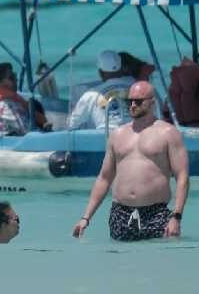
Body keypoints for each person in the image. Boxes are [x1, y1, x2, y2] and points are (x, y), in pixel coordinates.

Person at [72, 81, 189, 242]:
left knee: (160, 263)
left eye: (138, 101)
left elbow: (182, 177)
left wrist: (176, 216)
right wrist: (86, 218)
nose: (132, 105)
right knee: (119, 264)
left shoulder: (168, 133)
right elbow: (104, 178)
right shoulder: (117, 135)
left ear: (152, 103)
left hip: (156, 214)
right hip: (120, 214)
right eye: (129, 101)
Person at [67, 50, 137, 131]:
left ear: (100, 72)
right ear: (121, 68)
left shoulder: (91, 95)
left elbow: (71, 124)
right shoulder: (138, 87)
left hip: (106, 140)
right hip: (135, 137)